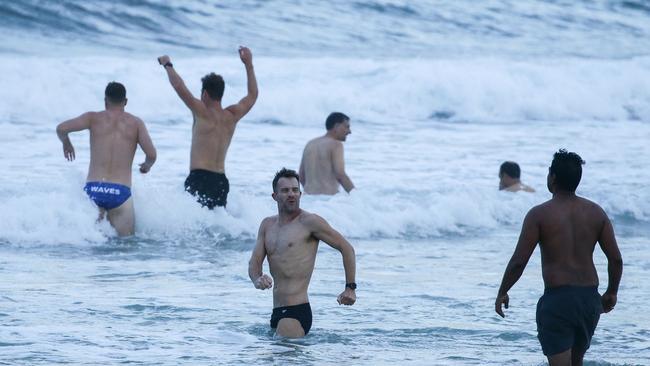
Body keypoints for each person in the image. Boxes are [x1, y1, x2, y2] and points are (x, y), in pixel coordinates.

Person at [495, 149, 623, 366]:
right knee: (576, 362)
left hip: (559, 301)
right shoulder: (596, 213)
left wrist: (502, 291)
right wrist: (612, 291)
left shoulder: (540, 214)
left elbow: (519, 261)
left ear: (552, 177)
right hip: (589, 301)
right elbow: (616, 259)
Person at [248, 168, 357, 338]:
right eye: (285, 190)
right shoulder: (267, 225)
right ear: (274, 196)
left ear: (300, 194)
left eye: (295, 190)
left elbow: (347, 248)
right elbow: (254, 263)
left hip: (296, 312)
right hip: (277, 312)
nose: (291, 194)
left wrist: (350, 288)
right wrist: (257, 279)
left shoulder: (310, 222)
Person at [158, 46, 258, 209]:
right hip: (221, 181)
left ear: (204, 94)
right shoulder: (232, 116)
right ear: (221, 93)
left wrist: (167, 65)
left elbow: (179, 86)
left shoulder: (201, 112)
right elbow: (252, 95)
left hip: (200, 178)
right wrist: (248, 64)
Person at [56, 82, 157, 236]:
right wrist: (146, 166)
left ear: (105, 101)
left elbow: (61, 128)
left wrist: (66, 143)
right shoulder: (136, 123)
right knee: (126, 247)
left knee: (93, 244)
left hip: (94, 190)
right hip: (120, 193)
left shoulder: (93, 118)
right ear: (126, 101)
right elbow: (151, 155)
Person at [299, 112, 355, 195]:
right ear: (337, 126)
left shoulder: (310, 144)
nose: (349, 131)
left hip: (308, 198)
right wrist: (357, 196)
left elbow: (301, 176)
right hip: (327, 200)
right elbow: (340, 174)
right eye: (347, 127)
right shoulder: (336, 144)